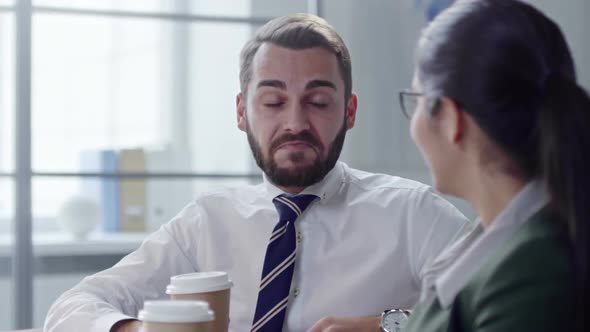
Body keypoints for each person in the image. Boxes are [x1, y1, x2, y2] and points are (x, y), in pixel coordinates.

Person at [44, 13, 467, 332]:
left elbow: (505, 309)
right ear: (242, 112)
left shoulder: (414, 214)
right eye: (272, 102)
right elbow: (72, 308)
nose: (296, 123)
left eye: (317, 102)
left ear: (349, 112)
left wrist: (389, 326)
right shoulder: (205, 223)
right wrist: (137, 329)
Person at [399, 0, 589, 331]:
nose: (412, 127)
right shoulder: (511, 239)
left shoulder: (531, 271)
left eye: (415, 100)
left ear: (450, 119)